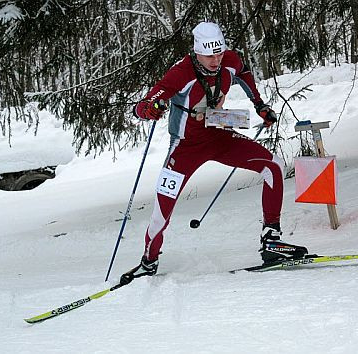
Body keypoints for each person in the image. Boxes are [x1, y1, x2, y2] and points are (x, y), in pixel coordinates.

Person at [121, 22, 307, 282]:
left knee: (273, 165)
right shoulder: (180, 73)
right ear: (197, 52)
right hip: (185, 146)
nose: (216, 60)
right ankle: (149, 261)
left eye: (219, 53)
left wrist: (259, 105)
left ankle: (271, 240)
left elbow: (243, 73)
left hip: (219, 132)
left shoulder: (229, 60)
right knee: (162, 208)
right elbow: (143, 105)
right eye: (209, 55)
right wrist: (149, 110)